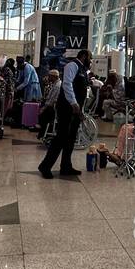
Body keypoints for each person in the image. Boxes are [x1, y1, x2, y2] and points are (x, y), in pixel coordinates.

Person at [39, 47, 91, 178]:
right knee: (61, 137)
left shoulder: (83, 70)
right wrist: (74, 103)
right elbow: (67, 84)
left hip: (76, 109)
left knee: (71, 138)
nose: (91, 61)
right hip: (67, 107)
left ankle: (66, 166)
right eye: (90, 58)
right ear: (84, 56)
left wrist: (80, 109)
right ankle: (45, 166)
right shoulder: (72, 66)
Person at [37, 69, 61, 140]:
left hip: (54, 107)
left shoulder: (57, 86)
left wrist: (43, 108)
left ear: (54, 77)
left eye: (49, 76)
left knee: (43, 114)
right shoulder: (55, 84)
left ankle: (43, 134)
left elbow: (51, 100)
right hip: (52, 105)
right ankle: (42, 133)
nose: (48, 78)